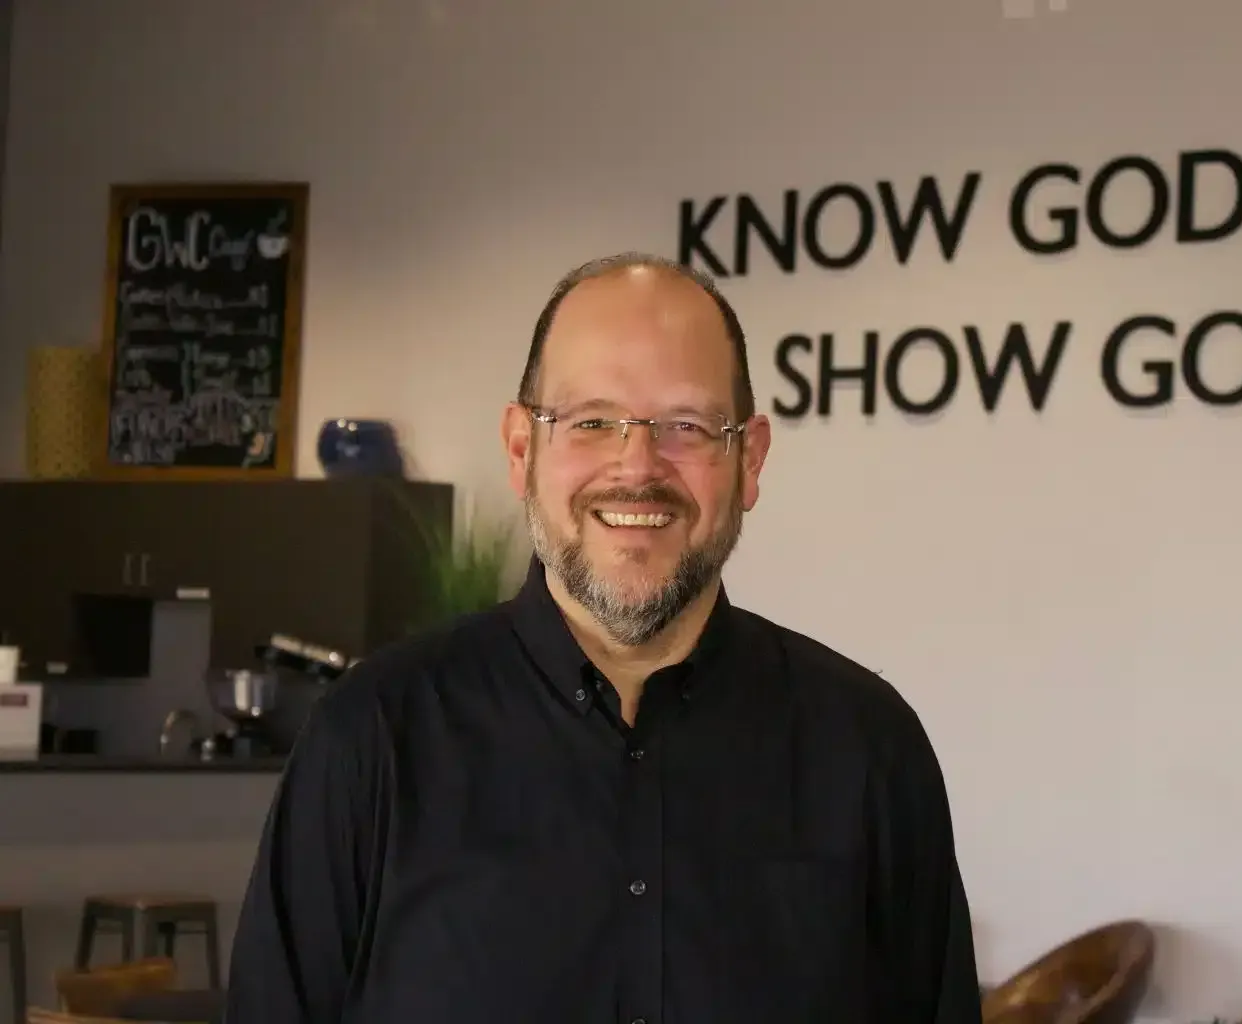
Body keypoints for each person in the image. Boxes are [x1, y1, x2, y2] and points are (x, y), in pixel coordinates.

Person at [222, 252, 983, 1024]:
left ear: (749, 461)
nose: (636, 467)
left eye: (686, 425)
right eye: (590, 422)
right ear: (522, 449)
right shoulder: (373, 738)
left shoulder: (867, 748)